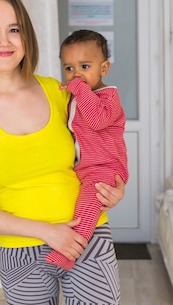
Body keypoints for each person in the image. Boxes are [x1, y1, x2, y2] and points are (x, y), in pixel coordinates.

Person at [0, 0, 126, 305]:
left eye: (14, 30)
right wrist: (48, 232)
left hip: (87, 236)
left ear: (26, 36)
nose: (4, 41)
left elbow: (105, 142)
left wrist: (116, 188)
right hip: (21, 251)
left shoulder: (61, 92)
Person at [45, 29, 128, 270]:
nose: (76, 75)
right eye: (69, 68)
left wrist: (79, 90)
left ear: (104, 69)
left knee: (88, 208)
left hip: (106, 168)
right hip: (85, 167)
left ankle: (71, 252)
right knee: (75, 204)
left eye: (84, 66)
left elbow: (97, 121)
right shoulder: (76, 98)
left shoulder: (108, 96)